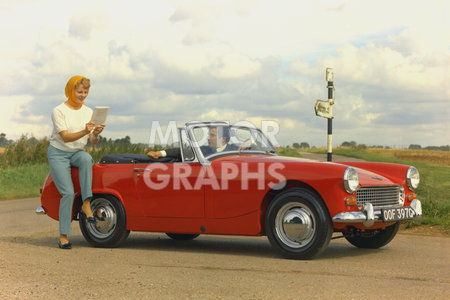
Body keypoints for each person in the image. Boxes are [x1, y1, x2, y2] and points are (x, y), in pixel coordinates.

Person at [47, 75, 105, 249]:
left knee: (87, 158)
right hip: (58, 153)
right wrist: (84, 131)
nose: (83, 95)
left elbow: (93, 141)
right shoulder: (59, 111)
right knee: (68, 193)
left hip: (77, 152)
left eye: (85, 92)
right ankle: (63, 235)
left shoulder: (88, 112)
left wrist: (95, 133)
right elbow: (64, 137)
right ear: (71, 90)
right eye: (80, 91)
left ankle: (86, 203)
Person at [147, 126, 237, 160]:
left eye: (212, 135)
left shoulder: (235, 151)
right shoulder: (204, 150)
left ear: (223, 139)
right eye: (209, 135)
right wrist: (159, 153)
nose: (208, 138)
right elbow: (182, 151)